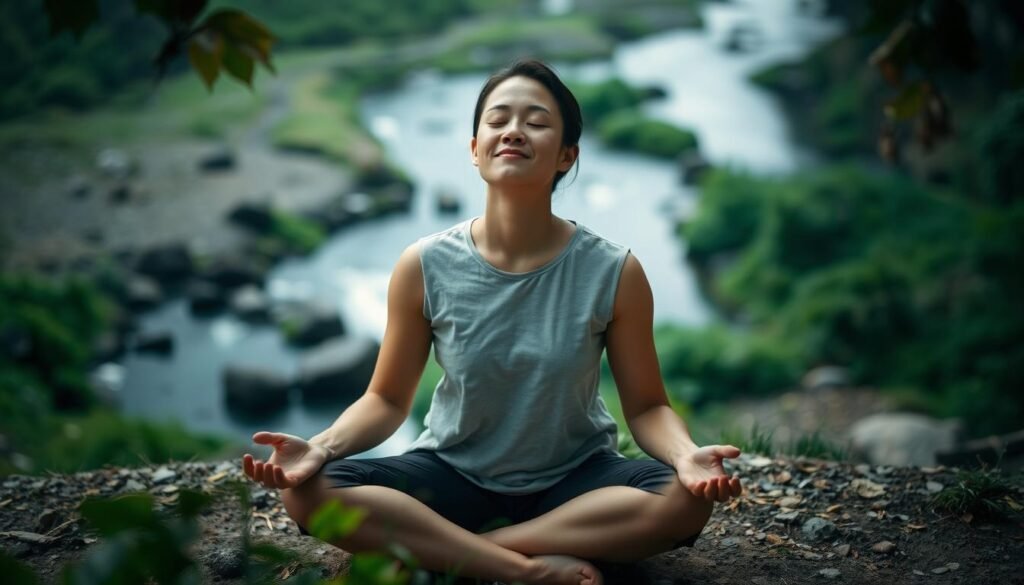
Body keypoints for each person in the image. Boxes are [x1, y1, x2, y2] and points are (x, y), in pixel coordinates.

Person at [242, 59, 743, 585]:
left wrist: (687, 456)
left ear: (566, 155)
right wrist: (320, 446)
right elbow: (386, 401)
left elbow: (647, 407)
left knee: (683, 501)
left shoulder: (614, 270)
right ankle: (522, 571)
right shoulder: (424, 264)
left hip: (577, 481)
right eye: (498, 119)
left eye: (537, 122)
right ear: (475, 148)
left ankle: (451, 553)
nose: (514, 131)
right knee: (307, 493)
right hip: (452, 474)